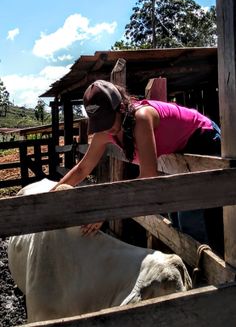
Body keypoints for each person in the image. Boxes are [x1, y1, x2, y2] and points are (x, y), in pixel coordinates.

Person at [54, 79, 223, 251]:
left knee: (191, 217)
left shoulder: (141, 118)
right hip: (177, 152)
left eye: (108, 120)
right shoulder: (104, 133)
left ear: (120, 108)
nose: (106, 129)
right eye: (100, 124)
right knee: (175, 216)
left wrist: (105, 209)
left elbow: (148, 176)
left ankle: (207, 273)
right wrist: (51, 197)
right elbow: (83, 168)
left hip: (204, 140)